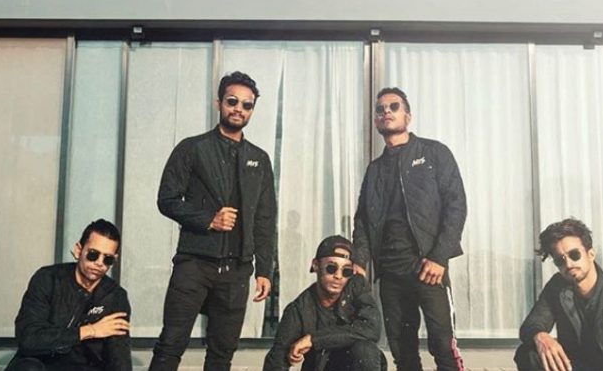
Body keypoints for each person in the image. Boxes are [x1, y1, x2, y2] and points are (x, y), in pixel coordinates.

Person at [149, 71, 277, 371]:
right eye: (232, 101)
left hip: (237, 270)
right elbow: (166, 199)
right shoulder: (192, 148)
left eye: (246, 105)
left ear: (252, 110)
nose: (239, 109)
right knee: (171, 344)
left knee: (222, 354)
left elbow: (265, 218)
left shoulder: (259, 158)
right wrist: (209, 220)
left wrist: (264, 270)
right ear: (219, 103)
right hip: (194, 263)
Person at [353, 87, 467, 371]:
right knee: (402, 352)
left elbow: (456, 205)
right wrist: (359, 262)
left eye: (394, 106)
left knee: (443, 346)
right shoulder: (375, 169)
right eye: (380, 109)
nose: (386, 112)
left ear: (408, 115)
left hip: (428, 268)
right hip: (390, 273)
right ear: (376, 120)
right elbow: (363, 219)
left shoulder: (434, 153)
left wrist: (439, 257)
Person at [514, 218, 603, 371]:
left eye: (574, 254)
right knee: (528, 353)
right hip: (581, 366)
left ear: (590, 254)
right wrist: (540, 336)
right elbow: (531, 325)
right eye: (560, 260)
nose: (568, 264)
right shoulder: (556, 287)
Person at [5, 219, 131, 371]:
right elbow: (28, 338)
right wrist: (89, 331)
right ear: (78, 250)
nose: (99, 262)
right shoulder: (48, 279)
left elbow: (119, 356)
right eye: (93, 254)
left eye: (107, 259)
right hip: (41, 364)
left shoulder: (116, 296)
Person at [263, 235, 384, 371]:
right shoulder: (299, 309)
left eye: (346, 271)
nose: (338, 276)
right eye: (331, 268)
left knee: (366, 350)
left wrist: (313, 340)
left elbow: (372, 328)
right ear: (316, 265)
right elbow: (276, 360)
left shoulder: (357, 291)